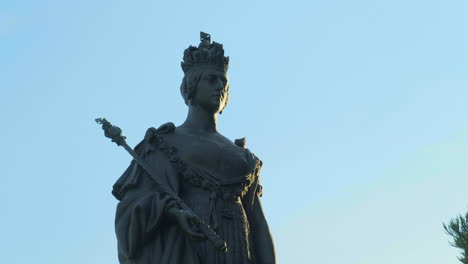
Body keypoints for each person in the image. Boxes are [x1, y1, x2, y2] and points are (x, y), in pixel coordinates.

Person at [112, 32, 276, 264]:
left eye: (224, 82)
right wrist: (169, 211)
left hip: (240, 252)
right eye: (211, 79)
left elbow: (257, 223)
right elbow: (131, 208)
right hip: (191, 251)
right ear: (191, 86)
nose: (220, 86)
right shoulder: (162, 144)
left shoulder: (244, 157)